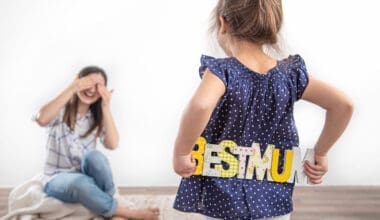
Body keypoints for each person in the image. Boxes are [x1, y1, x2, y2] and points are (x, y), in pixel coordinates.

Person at [172, 0, 354, 219]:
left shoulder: (223, 72)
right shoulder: (289, 75)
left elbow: (201, 105)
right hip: (271, 197)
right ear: (272, 27)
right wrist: (321, 152)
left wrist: (182, 152)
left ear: (223, 24)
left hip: (223, 198)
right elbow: (343, 105)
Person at [36, 66, 159, 220]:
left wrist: (106, 106)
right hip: (57, 178)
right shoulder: (60, 109)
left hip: (85, 175)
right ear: (78, 82)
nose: (92, 89)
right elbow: (41, 119)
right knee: (79, 182)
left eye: (98, 86)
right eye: (88, 83)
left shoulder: (95, 117)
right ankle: (126, 213)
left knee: (96, 157)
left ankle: (110, 205)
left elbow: (113, 144)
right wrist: (72, 88)